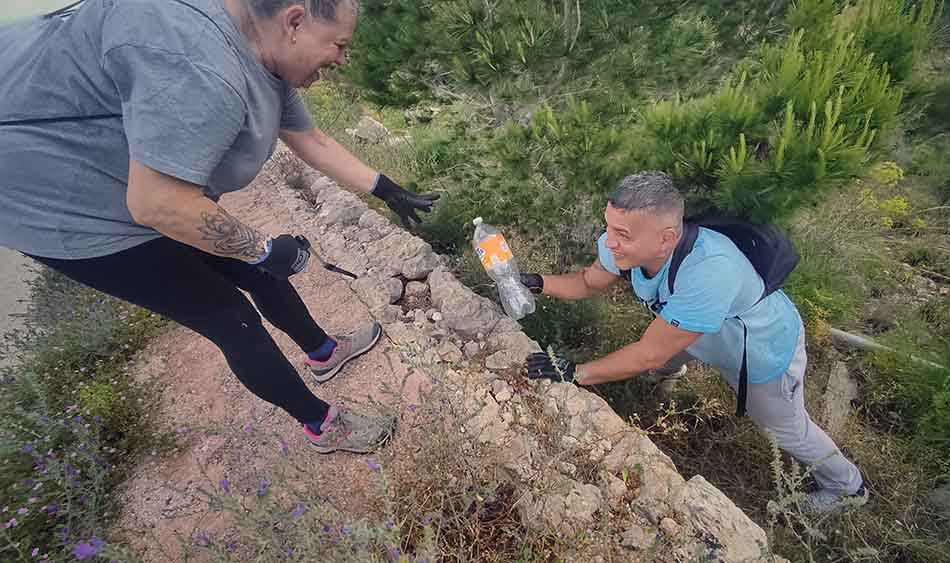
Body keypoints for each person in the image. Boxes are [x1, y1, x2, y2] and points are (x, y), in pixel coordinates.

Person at [0, 0, 439, 454]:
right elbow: (159, 203)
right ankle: (320, 424)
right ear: (294, 22)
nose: (343, 60)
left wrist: (385, 188)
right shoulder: (202, 70)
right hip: (60, 205)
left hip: (141, 182)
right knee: (228, 315)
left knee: (255, 269)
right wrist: (266, 249)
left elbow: (312, 139)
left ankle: (323, 352)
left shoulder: (263, 52)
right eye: (340, 46)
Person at [520, 171, 867, 514]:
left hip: (758, 348)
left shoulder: (710, 271)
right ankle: (672, 373)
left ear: (666, 239)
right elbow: (587, 281)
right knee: (671, 344)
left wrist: (573, 372)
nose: (609, 242)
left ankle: (848, 487)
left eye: (622, 234)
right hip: (700, 330)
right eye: (608, 226)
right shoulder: (623, 245)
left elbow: (647, 353)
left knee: (785, 430)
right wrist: (536, 281)